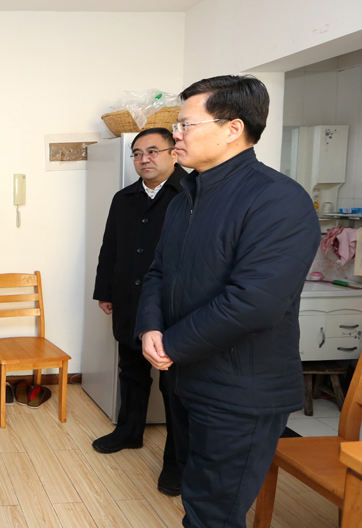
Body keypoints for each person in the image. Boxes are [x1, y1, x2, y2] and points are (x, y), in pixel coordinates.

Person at [135, 75, 321, 527]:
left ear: (233, 128)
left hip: (240, 392)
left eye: (186, 125)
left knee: (213, 514)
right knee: (197, 498)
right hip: (187, 378)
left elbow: (254, 302)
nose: (176, 135)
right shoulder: (185, 199)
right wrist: (150, 327)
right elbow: (158, 272)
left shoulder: (277, 199)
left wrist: (171, 343)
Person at [91, 128, 187, 496]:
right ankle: (129, 431)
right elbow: (110, 247)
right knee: (131, 371)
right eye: (137, 153)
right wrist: (104, 291)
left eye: (152, 151)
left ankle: (177, 462)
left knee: (174, 385)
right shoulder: (124, 198)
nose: (144, 159)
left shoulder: (190, 193)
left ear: (173, 153)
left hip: (173, 306)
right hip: (129, 299)